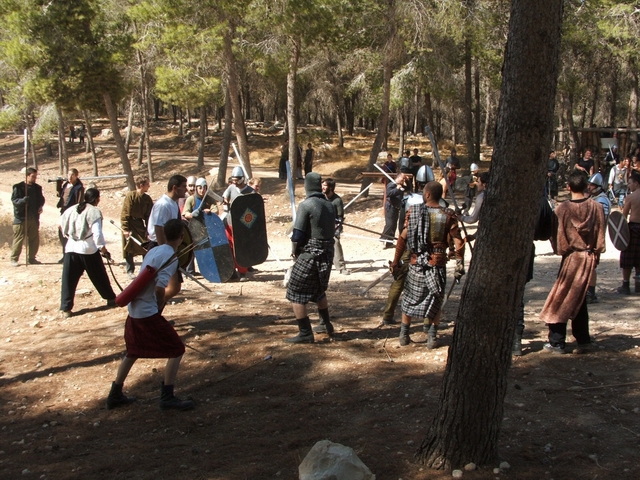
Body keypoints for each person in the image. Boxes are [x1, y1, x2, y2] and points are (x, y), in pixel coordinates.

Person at [105, 218, 194, 411]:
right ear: (182, 237)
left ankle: (115, 394)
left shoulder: (154, 250)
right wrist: (160, 303)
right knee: (177, 349)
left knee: (133, 351)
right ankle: (167, 397)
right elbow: (160, 287)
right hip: (146, 313)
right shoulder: (171, 257)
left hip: (135, 310)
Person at [391, 181, 465, 348]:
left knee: (410, 298)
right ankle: (432, 336)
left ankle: (404, 334)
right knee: (436, 298)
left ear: (428, 194)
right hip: (437, 264)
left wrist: (395, 261)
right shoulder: (448, 214)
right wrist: (460, 263)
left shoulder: (414, 211)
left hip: (416, 262)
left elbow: (402, 238)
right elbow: (459, 242)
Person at [539, 171, 606, 354]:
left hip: (572, 257)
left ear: (568, 187)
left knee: (561, 298)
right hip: (588, 256)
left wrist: (562, 250)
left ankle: (557, 341)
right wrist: (595, 253)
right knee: (578, 298)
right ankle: (583, 339)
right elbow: (600, 235)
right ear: (586, 187)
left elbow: (558, 239)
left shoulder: (562, 210)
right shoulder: (596, 207)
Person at [285, 173, 336, 343]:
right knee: (318, 289)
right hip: (328, 253)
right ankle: (325, 324)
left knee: (295, 291)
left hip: (311, 254)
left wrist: (295, 248)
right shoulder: (330, 205)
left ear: (307, 186)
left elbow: (298, 235)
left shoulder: (306, 205)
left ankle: (305, 333)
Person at [380, 165, 433, 326]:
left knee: (399, 281)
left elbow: (403, 228)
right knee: (430, 284)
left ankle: (388, 315)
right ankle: (428, 320)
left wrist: (397, 258)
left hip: (410, 246)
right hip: (429, 250)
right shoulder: (441, 203)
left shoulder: (409, 200)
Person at [59, 188, 117, 317]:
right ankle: (110, 298)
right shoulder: (94, 212)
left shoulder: (72, 209)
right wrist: (103, 250)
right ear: (97, 199)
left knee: (68, 280)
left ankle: (66, 308)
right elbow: (97, 234)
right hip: (88, 250)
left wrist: (71, 235)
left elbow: (60, 224)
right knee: (99, 276)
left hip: (71, 248)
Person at [147, 175, 188, 301]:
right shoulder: (163, 205)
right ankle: (154, 309)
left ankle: (156, 309)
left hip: (168, 248)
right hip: (160, 247)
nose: (186, 189)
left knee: (174, 287)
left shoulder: (173, 203)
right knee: (166, 286)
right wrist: (164, 251)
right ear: (175, 188)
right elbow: (158, 229)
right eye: (183, 187)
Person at [222, 167, 255, 281]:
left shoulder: (251, 192)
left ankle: (242, 272)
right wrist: (225, 199)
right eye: (233, 179)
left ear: (242, 179)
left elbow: (253, 211)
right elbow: (225, 196)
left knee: (242, 248)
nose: (235, 182)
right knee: (230, 248)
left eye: (237, 180)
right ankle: (231, 271)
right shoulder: (231, 188)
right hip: (230, 223)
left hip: (243, 226)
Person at [585, 172, 611, 304]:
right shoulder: (594, 199)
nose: (589, 187)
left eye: (592, 185)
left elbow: (600, 221)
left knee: (591, 266)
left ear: (598, 186)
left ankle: (591, 293)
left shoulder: (602, 201)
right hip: (590, 237)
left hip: (595, 237)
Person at [11, 168, 45, 266]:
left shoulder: (37, 188)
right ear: (27, 175)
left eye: (35, 176)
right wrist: (23, 201)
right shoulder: (18, 187)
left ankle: (31, 258)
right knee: (19, 239)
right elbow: (15, 201)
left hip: (33, 217)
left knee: (34, 239)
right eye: (33, 176)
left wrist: (40, 206)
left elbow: (41, 199)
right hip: (21, 217)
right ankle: (14, 259)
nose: (34, 178)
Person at [120, 175, 153, 279]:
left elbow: (149, 216)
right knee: (129, 248)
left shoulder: (147, 199)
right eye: (147, 184)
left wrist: (148, 229)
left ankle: (144, 270)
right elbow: (125, 213)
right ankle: (130, 270)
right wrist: (125, 228)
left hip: (139, 224)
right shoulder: (131, 196)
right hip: (130, 224)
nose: (149, 186)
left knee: (145, 246)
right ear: (141, 185)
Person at [617, 172, 640, 295]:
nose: (628, 185)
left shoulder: (630, 197)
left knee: (628, 257)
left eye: (630, 183)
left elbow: (624, 216)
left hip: (633, 228)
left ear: (636, 183)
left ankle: (626, 285)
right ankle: (638, 283)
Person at [57, 168, 85, 262]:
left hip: (72, 213)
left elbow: (80, 202)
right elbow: (60, 195)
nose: (70, 177)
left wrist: (76, 214)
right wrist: (58, 185)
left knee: (70, 234)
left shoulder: (79, 188)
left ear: (76, 176)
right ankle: (65, 255)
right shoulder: (66, 185)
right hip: (63, 212)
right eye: (69, 174)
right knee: (62, 233)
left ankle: (71, 256)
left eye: (72, 175)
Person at [322, 178, 348, 275]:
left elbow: (340, 218)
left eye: (325, 185)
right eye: (322, 185)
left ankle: (341, 267)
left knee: (335, 242)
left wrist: (337, 230)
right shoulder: (320, 197)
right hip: (320, 225)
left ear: (331, 187)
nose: (322, 187)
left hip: (333, 225)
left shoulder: (337, 200)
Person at [380, 172, 408, 249]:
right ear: (398, 177)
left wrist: (407, 181)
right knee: (389, 224)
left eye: (404, 179)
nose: (403, 180)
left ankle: (389, 242)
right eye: (403, 178)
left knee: (394, 225)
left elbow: (408, 188)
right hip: (390, 206)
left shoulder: (401, 185)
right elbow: (389, 193)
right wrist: (397, 189)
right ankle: (382, 239)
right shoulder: (391, 184)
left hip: (396, 207)